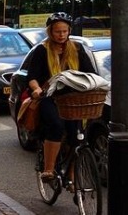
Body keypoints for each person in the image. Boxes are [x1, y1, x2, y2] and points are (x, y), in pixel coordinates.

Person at [27, 12, 96, 183]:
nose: (62, 35)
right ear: (50, 32)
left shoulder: (78, 49)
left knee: (77, 135)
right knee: (56, 126)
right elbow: (32, 76)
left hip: (72, 99)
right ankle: (49, 169)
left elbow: (90, 74)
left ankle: (72, 175)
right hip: (50, 96)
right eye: (58, 31)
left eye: (65, 31)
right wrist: (36, 89)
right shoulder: (41, 50)